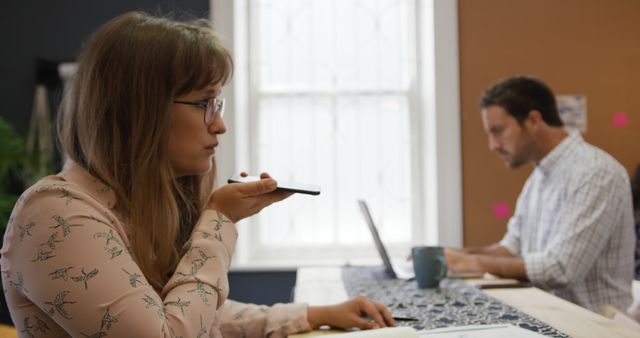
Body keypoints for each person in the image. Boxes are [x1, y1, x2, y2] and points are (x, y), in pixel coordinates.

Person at [0, 12, 395, 337]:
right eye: (205, 103)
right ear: (141, 110)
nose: (220, 125)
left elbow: (193, 314)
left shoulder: (132, 207)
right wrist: (218, 221)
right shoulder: (56, 215)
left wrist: (313, 314)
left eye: (218, 101)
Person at [444, 76, 635, 313]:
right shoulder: (538, 178)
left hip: (592, 328)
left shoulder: (596, 173)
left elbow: (561, 270)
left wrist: (470, 263)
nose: (493, 145)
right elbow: (512, 247)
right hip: (551, 318)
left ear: (534, 120)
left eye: (498, 131)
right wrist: (453, 255)